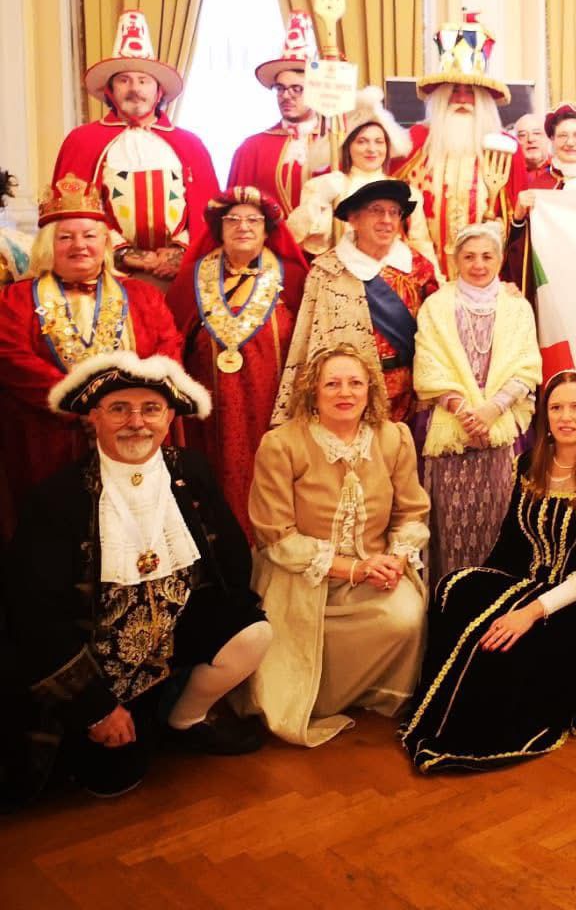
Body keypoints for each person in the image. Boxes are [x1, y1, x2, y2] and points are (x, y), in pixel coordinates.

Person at [6, 352, 270, 798]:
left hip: (171, 643)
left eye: (150, 409)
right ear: (93, 417)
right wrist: (95, 708)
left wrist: (229, 616)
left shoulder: (190, 471)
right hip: (98, 668)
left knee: (253, 632)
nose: (136, 422)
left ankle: (185, 716)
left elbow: (229, 556)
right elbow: (35, 617)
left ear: (169, 417)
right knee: (113, 781)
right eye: (119, 409)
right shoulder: (58, 499)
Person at [401, 371, 576, 772]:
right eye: (556, 407)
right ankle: (444, 709)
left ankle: (476, 726)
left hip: (570, 607)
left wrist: (528, 612)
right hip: (523, 584)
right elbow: (510, 542)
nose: (566, 417)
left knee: (506, 641)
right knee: (453, 589)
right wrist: (486, 595)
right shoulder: (529, 463)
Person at [245, 343, 430, 746]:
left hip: (374, 569)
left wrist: (396, 559)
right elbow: (277, 537)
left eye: (355, 383)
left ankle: (369, 693)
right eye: (332, 384)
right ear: (313, 391)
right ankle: (314, 699)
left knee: (406, 616)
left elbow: (411, 513)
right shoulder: (281, 444)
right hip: (301, 574)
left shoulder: (394, 438)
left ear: (370, 390)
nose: (345, 393)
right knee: (297, 637)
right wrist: (352, 569)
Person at [0, 176, 182, 541]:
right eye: (65, 237)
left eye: (89, 235)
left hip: (134, 431)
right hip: (51, 437)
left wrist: (123, 409)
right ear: (47, 245)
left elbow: (167, 352)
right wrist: (80, 406)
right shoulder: (14, 300)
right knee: (56, 535)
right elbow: (11, 358)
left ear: (105, 243)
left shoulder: (144, 296)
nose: (79, 245)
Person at [165, 188, 310, 539]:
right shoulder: (191, 278)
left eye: (253, 220)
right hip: (210, 416)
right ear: (219, 228)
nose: (243, 227)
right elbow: (171, 342)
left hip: (275, 408)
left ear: (267, 229)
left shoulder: (293, 277)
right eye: (233, 220)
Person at [52, 9, 220, 289]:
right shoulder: (82, 141)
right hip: (107, 274)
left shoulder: (190, 144)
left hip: (180, 275)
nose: (134, 89)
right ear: (110, 90)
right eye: (124, 80)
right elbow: (71, 214)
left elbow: (208, 212)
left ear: (159, 91)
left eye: (144, 81)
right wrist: (125, 253)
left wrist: (180, 251)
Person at [413, 224, 541, 576]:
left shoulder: (517, 307)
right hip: (450, 429)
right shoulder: (436, 305)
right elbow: (429, 366)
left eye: (487, 256)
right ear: (455, 260)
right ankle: (449, 600)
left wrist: (491, 410)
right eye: (469, 257)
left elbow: (528, 367)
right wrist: (466, 414)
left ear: (499, 259)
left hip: (503, 431)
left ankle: (498, 601)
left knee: (502, 523)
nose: (479, 265)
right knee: (449, 524)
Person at [272, 179, 440, 425]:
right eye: (376, 211)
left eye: (394, 212)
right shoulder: (327, 271)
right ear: (353, 219)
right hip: (349, 396)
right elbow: (309, 341)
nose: (386, 220)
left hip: (411, 395)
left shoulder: (419, 268)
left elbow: (439, 331)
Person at [392, 14, 527, 279]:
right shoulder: (415, 141)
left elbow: (519, 216)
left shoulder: (505, 149)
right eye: (454, 91)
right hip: (422, 271)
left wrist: (502, 227)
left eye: (470, 93)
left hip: (485, 274)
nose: (462, 99)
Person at [286, 92, 427, 260]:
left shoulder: (408, 193)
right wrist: (320, 201)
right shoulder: (321, 186)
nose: (372, 149)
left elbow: (421, 244)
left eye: (379, 142)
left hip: (391, 274)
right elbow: (296, 236)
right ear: (348, 147)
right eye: (362, 141)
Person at [227, 11, 324, 214]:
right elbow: (236, 211)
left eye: (297, 89)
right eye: (280, 88)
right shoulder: (252, 148)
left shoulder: (336, 143)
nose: (286, 96)